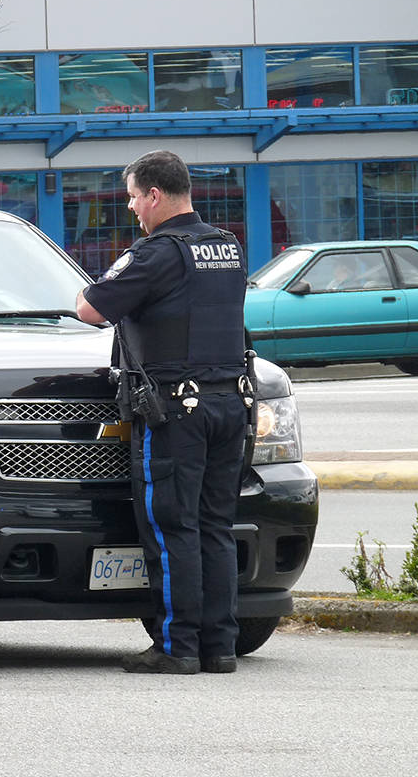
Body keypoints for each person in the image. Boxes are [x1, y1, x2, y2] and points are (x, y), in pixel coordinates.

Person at [76, 150, 250, 675]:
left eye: (132, 197)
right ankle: (220, 646)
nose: (131, 208)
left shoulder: (156, 253)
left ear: (154, 195)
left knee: (173, 524)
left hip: (178, 410)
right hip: (229, 403)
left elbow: (90, 308)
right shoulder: (227, 246)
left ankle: (179, 646)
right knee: (215, 525)